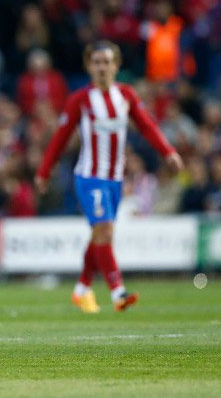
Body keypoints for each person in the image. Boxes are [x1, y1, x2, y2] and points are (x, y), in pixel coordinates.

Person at [35, 40, 183, 313]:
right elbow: (60, 138)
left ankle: (81, 289)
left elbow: (148, 126)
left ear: (116, 65)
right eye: (96, 62)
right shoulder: (80, 99)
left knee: (100, 234)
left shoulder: (125, 95)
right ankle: (118, 292)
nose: (102, 67)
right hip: (89, 177)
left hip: (114, 179)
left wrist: (169, 152)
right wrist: (44, 172)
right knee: (104, 230)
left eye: (107, 62)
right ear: (89, 66)